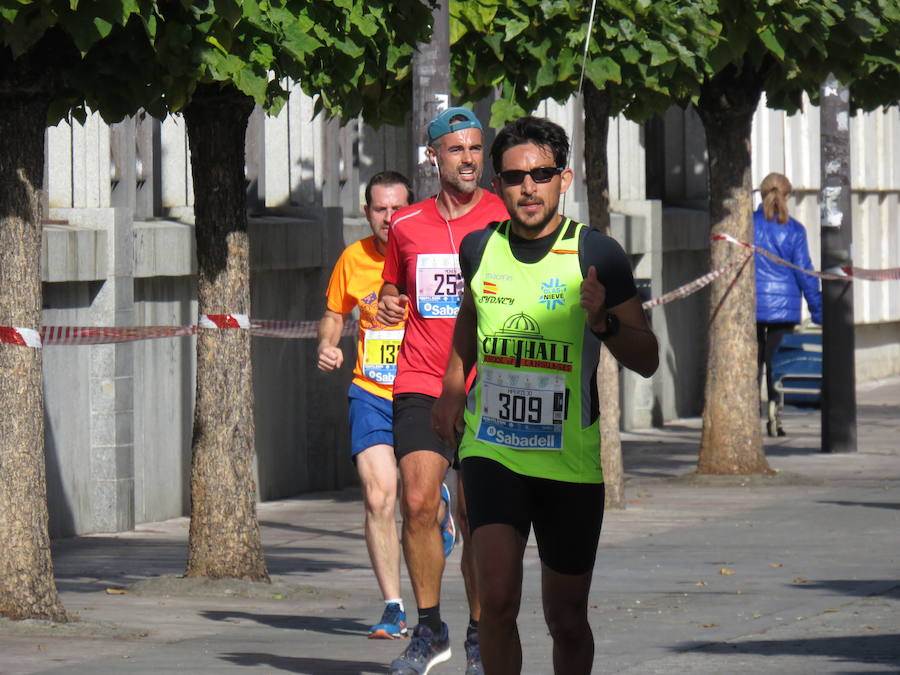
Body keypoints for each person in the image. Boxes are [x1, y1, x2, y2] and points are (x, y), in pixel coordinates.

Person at [432, 115, 659, 675]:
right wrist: (452, 387)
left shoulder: (598, 254)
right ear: (497, 184)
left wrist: (603, 322)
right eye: (513, 177)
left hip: (569, 463)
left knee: (566, 619)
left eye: (541, 174)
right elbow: (468, 318)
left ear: (565, 178)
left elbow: (648, 358)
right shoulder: (480, 248)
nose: (527, 187)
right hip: (494, 450)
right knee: (497, 603)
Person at [377, 107, 509, 675]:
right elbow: (391, 284)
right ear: (434, 156)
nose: (469, 160)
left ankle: (481, 636)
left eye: (476, 149)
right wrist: (387, 302)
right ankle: (429, 629)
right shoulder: (406, 225)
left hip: (486, 384)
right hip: (421, 379)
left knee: (479, 518)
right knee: (416, 502)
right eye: (456, 150)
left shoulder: (507, 217)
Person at [317, 171, 422, 639]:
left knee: (422, 506)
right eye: (380, 209)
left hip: (421, 391)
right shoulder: (353, 258)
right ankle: (393, 608)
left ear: (411, 207)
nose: (388, 217)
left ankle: (439, 511)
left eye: (397, 207)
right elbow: (334, 312)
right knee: (379, 495)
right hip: (371, 391)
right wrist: (328, 344)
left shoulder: (428, 252)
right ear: (366, 212)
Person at [754, 172, 822, 437]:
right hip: (784, 308)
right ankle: (774, 414)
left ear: (761, 194)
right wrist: (817, 310)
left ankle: (750, 415)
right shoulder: (794, 229)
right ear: (788, 196)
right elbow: (804, 271)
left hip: (753, 305)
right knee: (776, 362)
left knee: (753, 363)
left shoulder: (748, 225)